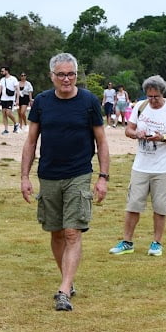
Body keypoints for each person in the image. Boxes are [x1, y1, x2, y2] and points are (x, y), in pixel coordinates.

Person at [21, 52, 110, 312]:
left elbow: (102, 142)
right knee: (56, 231)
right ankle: (67, 281)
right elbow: (31, 141)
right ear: (52, 76)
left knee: (72, 231)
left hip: (79, 174)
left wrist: (103, 177)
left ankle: (63, 290)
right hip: (48, 175)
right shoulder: (42, 103)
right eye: (61, 74)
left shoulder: (89, 102)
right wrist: (24, 177)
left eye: (71, 74)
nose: (66, 79)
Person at [108, 75, 166, 258]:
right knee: (133, 205)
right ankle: (127, 242)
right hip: (141, 166)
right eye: (149, 96)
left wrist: (163, 137)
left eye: (156, 97)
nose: (152, 100)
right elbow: (128, 129)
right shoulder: (140, 107)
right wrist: (136, 134)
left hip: (164, 167)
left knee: (160, 207)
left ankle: (156, 243)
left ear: (162, 94)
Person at [0, 66, 20, 134]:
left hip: (10, 99)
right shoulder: (2, 80)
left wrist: (17, 99)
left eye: (2, 71)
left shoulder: (13, 79)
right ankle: (6, 129)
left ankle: (16, 123)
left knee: (8, 112)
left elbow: (17, 89)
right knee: (4, 113)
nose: (1, 72)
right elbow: (0, 89)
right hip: (3, 99)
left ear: (7, 71)